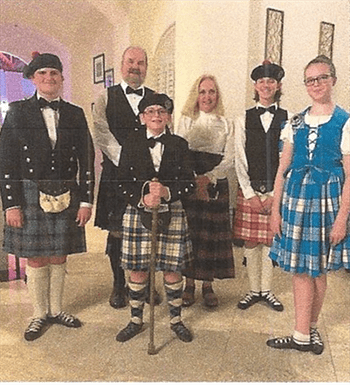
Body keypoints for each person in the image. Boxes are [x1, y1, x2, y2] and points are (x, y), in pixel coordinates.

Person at [0, 52, 95, 341]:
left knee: (59, 254)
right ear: (33, 79)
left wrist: (86, 200)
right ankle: (38, 313)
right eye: (42, 73)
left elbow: (87, 158)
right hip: (30, 190)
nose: (49, 78)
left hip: (67, 189)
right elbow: (6, 160)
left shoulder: (75, 113)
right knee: (37, 257)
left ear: (62, 78)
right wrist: (11, 204)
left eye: (54, 73)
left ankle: (56, 310)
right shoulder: (17, 111)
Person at [266, 55, 350, 354]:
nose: (316, 84)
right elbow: (282, 168)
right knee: (300, 270)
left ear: (333, 80)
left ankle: (307, 330)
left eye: (322, 78)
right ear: (305, 84)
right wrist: (275, 210)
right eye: (310, 80)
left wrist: (342, 218)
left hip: (328, 202)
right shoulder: (295, 121)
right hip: (296, 200)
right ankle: (303, 334)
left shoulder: (345, 121)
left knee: (318, 270)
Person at [115, 93, 195, 343]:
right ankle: (135, 320)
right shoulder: (131, 142)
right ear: (142, 118)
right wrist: (142, 198)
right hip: (139, 212)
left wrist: (168, 193)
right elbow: (120, 182)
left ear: (169, 117)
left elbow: (189, 183)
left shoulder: (179, 144)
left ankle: (176, 320)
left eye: (161, 111)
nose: (156, 116)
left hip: (172, 212)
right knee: (137, 270)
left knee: (172, 270)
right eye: (150, 112)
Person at [92, 46, 161, 309]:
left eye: (141, 63)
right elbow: (101, 132)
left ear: (146, 67)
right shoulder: (105, 98)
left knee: (148, 230)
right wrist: (129, 160)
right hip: (116, 175)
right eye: (131, 61)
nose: (135, 66)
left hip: (148, 176)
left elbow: (161, 132)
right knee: (117, 233)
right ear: (122, 65)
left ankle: (145, 284)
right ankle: (118, 284)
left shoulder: (156, 97)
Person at [233, 61, 290, 312]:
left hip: (276, 193)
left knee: (270, 241)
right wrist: (249, 194)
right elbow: (239, 158)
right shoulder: (242, 118)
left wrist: (276, 195)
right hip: (251, 192)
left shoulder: (290, 119)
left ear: (277, 86)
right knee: (252, 242)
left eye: (271, 81)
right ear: (255, 86)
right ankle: (253, 290)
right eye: (261, 81)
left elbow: (289, 159)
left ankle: (267, 291)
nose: (266, 85)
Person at [175, 75, 235, 308]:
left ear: (217, 95)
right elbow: (178, 152)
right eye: (202, 92)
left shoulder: (226, 122)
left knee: (210, 235)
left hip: (215, 182)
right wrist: (194, 179)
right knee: (192, 235)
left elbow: (230, 157)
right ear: (196, 95)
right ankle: (188, 284)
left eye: (211, 92)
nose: (207, 96)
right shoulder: (187, 120)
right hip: (190, 182)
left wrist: (209, 178)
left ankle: (207, 285)